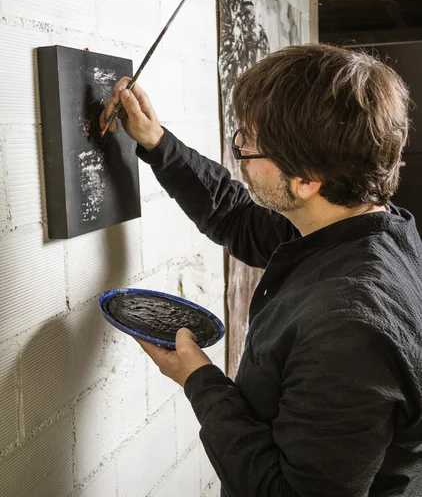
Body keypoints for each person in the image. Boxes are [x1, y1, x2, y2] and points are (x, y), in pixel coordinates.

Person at [99, 44, 422, 496]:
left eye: (248, 146)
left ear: (307, 180)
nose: (240, 154)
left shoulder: (348, 331)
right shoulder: (358, 224)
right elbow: (236, 217)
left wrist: (199, 380)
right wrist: (156, 142)